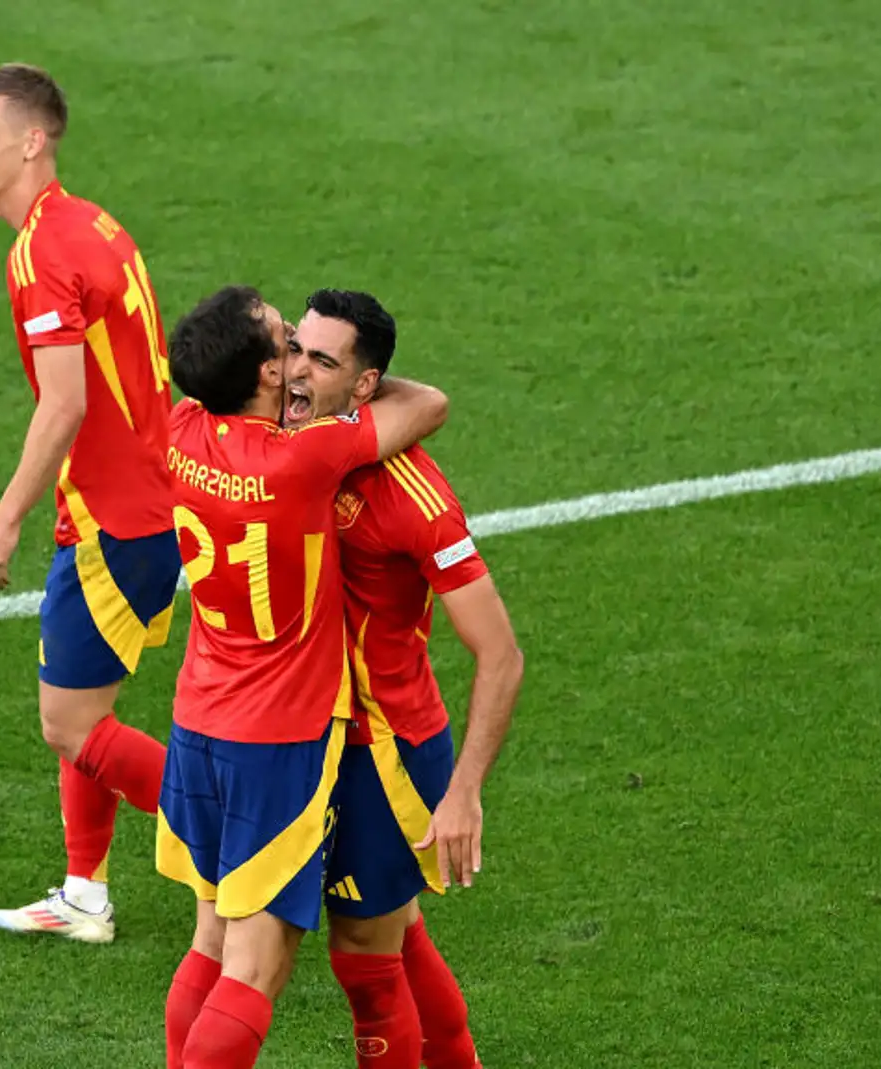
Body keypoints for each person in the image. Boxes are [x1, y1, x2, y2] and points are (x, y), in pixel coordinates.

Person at [154, 285, 449, 1069]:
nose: (295, 361)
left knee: (209, 941)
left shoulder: (179, 427)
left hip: (194, 724)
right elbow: (427, 404)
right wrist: (360, 382)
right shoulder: (303, 461)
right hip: (274, 743)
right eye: (286, 344)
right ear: (260, 377)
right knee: (257, 967)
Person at [0, 62, 177, 942]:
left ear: (31, 141)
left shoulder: (42, 251)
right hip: (139, 506)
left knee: (67, 721)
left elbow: (66, 402)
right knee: (86, 708)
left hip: (117, 522)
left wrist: (5, 516)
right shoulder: (90, 223)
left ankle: (258, 841)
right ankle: (85, 894)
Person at [290, 289, 524, 1069]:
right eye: (297, 346)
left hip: (381, 751)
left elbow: (501, 653)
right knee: (399, 933)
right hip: (306, 736)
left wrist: (464, 790)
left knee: (365, 957)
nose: (295, 372)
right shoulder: (289, 432)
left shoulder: (413, 496)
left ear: (366, 387)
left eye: (322, 361)